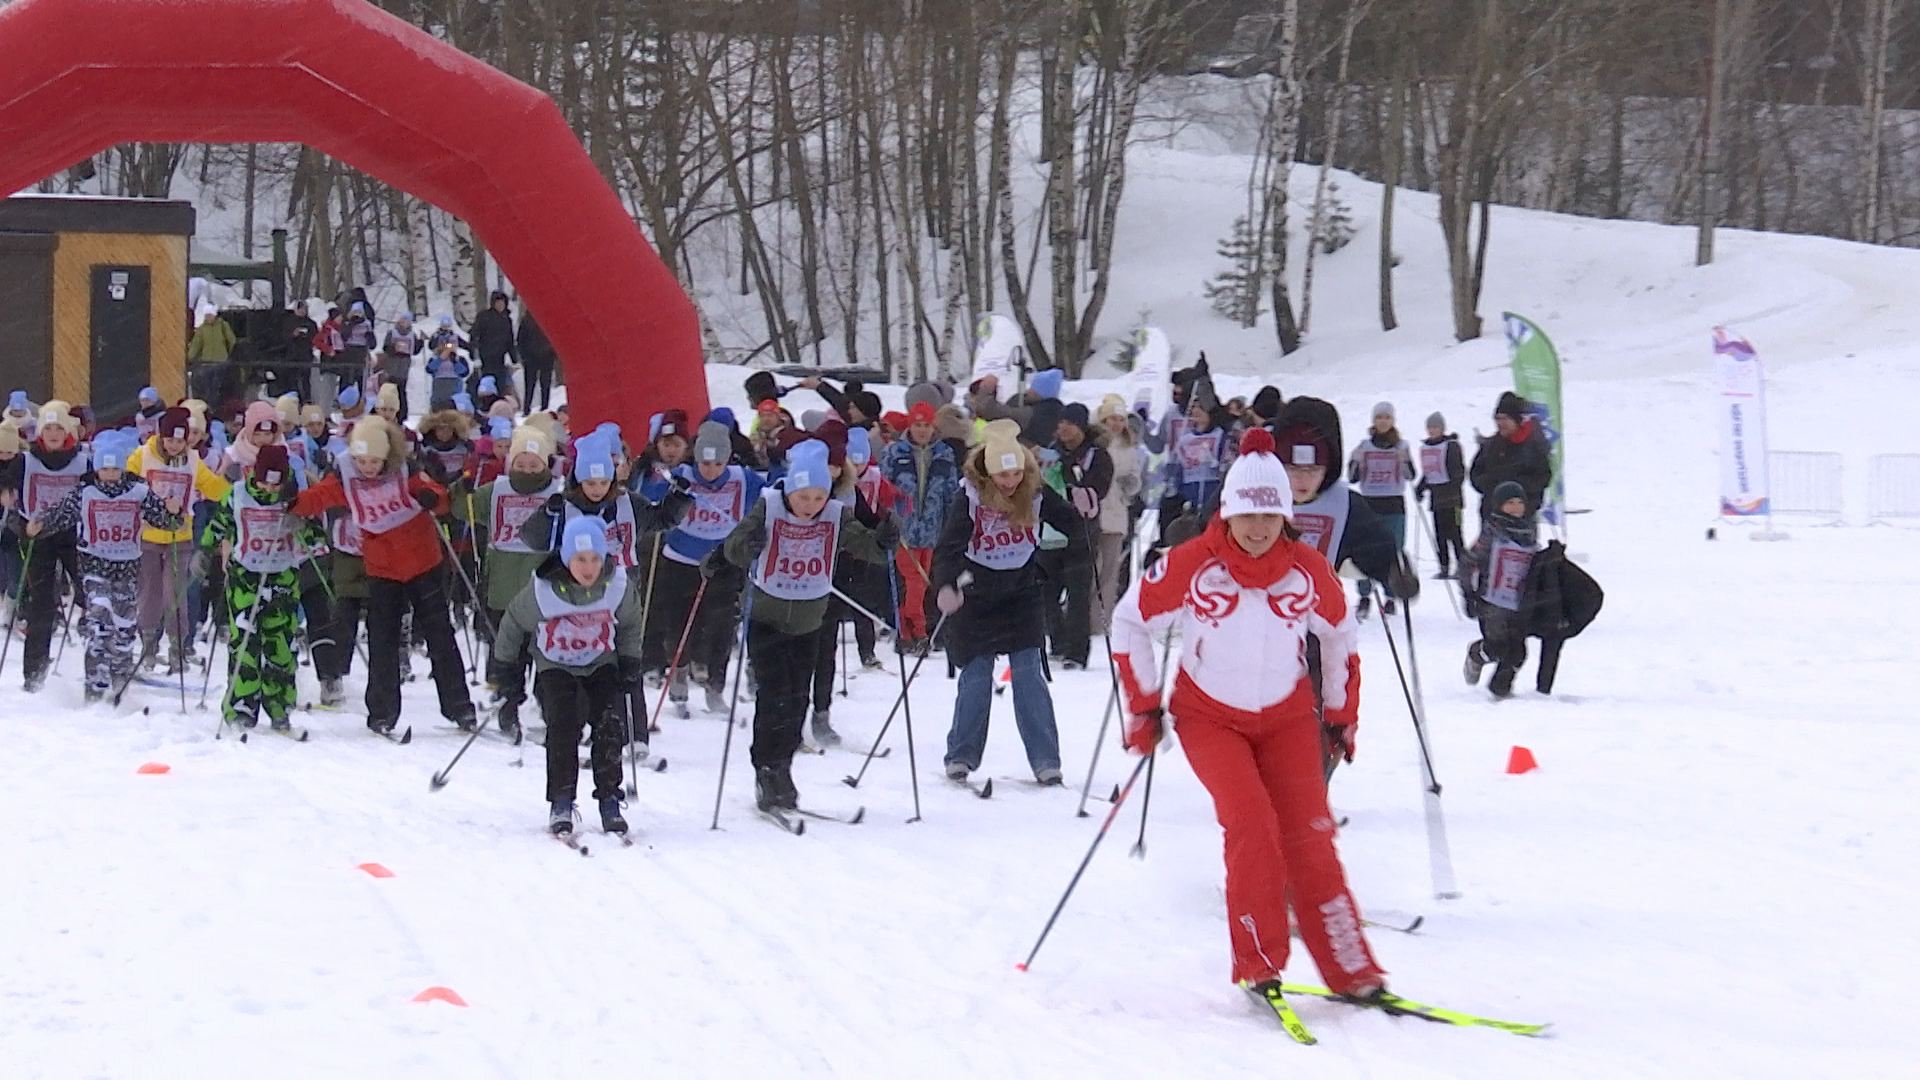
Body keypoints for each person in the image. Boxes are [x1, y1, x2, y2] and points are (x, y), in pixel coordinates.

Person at [1111, 427, 1387, 1007]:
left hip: (1287, 715)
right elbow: (1129, 620)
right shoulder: (1194, 563)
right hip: (1210, 717)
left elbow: (1340, 634)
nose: (1258, 529)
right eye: (1246, 516)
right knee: (1253, 829)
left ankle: (1353, 969)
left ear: (1286, 517)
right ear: (1227, 513)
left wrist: (1340, 712)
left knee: (1312, 837)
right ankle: (1259, 964)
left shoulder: (1308, 569)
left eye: (1270, 517)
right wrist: (1142, 703)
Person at [714, 438, 894, 812]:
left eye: (817, 498)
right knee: (774, 695)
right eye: (803, 497)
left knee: (798, 699)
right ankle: (765, 769)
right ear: (791, 490)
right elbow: (733, 548)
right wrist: (751, 542)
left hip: (810, 620)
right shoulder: (769, 506)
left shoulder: (834, 514)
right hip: (767, 617)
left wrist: (885, 538)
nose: (810, 506)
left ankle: (783, 768)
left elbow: (867, 548)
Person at [291, 415, 477, 735]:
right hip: (382, 570)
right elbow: (318, 497)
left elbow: (436, 493)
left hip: (423, 564)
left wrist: (433, 498)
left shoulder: (405, 469)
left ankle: (459, 707)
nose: (368, 468)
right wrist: (291, 500)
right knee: (382, 641)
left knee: (439, 636)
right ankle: (381, 712)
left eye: (374, 461)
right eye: (362, 461)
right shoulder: (346, 474)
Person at [932, 419, 1078, 785]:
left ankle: (1046, 760)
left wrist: (1083, 514)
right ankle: (961, 755)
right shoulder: (969, 496)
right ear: (987, 472)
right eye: (1002, 475)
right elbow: (948, 548)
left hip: (1021, 594)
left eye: (1015, 473)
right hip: (976, 597)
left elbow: (1071, 525)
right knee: (977, 675)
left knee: (1029, 674)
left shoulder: (1036, 490)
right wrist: (945, 586)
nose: (1010, 482)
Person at [490, 515, 648, 838]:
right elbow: (512, 624)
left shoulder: (616, 585)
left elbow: (631, 623)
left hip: (601, 660)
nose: (588, 568)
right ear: (565, 559)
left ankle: (609, 800)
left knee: (609, 724)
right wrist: (506, 669)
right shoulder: (543, 590)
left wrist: (631, 661)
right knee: (562, 725)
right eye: (579, 560)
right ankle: (561, 800)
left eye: (594, 559)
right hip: (555, 664)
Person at [34, 430, 182, 703]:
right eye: (105, 469)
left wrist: (174, 511)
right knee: (99, 620)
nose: (110, 475)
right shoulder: (85, 490)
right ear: (97, 468)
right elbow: (63, 514)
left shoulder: (138, 491)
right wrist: (41, 525)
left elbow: (165, 522)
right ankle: (94, 684)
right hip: (94, 565)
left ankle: (119, 677)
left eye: (115, 469)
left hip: (126, 567)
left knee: (124, 626)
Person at [197, 444, 319, 729]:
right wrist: (204, 551)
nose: (271, 487)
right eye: (266, 480)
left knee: (280, 644)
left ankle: (278, 704)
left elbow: (315, 537)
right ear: (255, 473)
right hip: (245, 576)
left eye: (277, 482)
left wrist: (301, 525)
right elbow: (219, 525)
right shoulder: (238, 494)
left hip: (282, 577)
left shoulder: (293, 499)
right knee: (244, 643)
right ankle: (241, 707)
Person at [646, 421, 762, 720]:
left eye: (717, 464)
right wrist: (664, 486)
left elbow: (773, 492)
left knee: (722, 626)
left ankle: (715, 687)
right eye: (704, 463)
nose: (710, 471)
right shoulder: (682, 476)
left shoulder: (742, 478)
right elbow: (650, 495)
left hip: (725, 561)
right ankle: (679, 673)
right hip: (681, 560)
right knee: (680, 624)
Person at [456, 423, 561, 739]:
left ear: (546, 464)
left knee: (547, 655)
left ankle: (552, 708)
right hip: (504, 586)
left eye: (534, 464)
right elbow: (466, 509)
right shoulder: (498, 490)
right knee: (509, 653)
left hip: (545, 589)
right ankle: (508, 706)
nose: (527, 470)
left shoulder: (557, 492)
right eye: (520, 464)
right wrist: (458, 491)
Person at [127, 406, 231, 674]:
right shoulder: (142, 456)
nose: (175, 446)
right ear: (161, 437)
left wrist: (238, 494)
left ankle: (179, 648)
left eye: (180, 440)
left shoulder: (193, 460)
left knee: (176, 594)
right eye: (170, 440)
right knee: (149, 593)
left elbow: (215, 488)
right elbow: (127, 485)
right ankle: (149, 647)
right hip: (148, 536)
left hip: (179, 537)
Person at [9, 401, 91, 691]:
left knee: (90, 598)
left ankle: (98, 670)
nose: (54, 433)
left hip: (74, 536)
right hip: (38, 535)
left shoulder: (83, 460)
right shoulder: (26, 460)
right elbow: (9, 493)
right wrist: (21, 526)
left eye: (59, 428)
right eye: (48, 428)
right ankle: (34, 674)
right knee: (41, 603)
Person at [880, 400, 958, 654]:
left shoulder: (944, 453)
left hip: (933, 529)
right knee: (913, 581)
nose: (922, 430)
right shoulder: (895, 453)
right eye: (917, 425)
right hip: (904, 529)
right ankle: (918, 631)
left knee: (921, 583)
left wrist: (952, 525)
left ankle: (906, 631)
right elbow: (883, 488)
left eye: (926, 425)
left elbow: (951, 491)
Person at [1042, 402, 1110, 668]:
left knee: (1078, 594)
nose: (1063, 428)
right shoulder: (1051, 451)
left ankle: (1076, 651)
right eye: (1061, 423)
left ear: (1081, 426)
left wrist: (1069, 476)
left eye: (1069, 423)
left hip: (1081, 534)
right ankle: (1057, 642)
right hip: (1049, 533)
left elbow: (1097, 490)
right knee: (1047, 592)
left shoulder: (1097, 455)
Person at [1463, 481, 1539, 699]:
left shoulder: (1529, 530)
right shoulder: (1492, 532)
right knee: (1497, 647)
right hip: (1492, 600)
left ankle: (1501, 688)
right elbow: (1468, 563)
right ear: (1499, 506)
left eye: (1519, 503)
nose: (1516, 508)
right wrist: (1469, 594)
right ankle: (1477, 654)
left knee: (1518, 650)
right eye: (1509, 503)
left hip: (1519, 601)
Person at [1347, 402, 1415, 621]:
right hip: (1369, 504)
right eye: (1379, 417)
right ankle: (1365, 596)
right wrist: (1355, 461)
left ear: (1392, 421)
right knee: (1364, 550)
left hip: (1394, 505)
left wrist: (1404, 460)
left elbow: (1411, 475)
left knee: (1393, 551)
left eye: (1387, 417)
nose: (1383, 421)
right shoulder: (1365, 446)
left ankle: (1391, 595)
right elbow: (1353, 477)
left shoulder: (1401, 446)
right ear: (1374, 421)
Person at [1093, 394, 1146, 633]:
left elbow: (1136, 477)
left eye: (1120, 419)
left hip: (1116, 515)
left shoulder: (1128, 447)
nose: (1116, 424)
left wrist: (1132, 484)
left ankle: (1102, 622)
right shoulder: (1094, 444)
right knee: (1092, 570)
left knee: (1110, 573)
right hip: (1092, 514)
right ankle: (1086, 619)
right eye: (1111, 418)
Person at [1469, 391, 1553, 520]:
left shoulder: (1533, 446)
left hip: (1522, 520)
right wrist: (1493, 485)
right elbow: (1475, 474)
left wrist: (1515, 488)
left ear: (1517, 420)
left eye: (1505, 419)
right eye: (1497, 418)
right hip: (1491, 517)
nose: (1500, 423)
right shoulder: (1490, 445)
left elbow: (1543, 477)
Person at [1415, 411, 1469, 580]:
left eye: (1436, 427)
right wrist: (1421, 488)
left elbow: (1459, 471)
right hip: (1437, 500)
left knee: (1456, 534)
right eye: (1430, 428)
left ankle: (1463, 566)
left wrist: (1453, 487)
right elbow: (1429, 472)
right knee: (1440, 535)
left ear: (1442, 428)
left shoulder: (1451, 446)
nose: (1432, 431)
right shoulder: (1427, 448)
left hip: (1453, 500)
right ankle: (1444, 566)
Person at [468, 291, 517, 399]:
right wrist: (474, 353)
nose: (500, 305)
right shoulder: (484, 317)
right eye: (498, 303)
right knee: (487, 383)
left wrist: (514, 359)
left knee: (500, 383)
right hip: (486, 356)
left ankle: (499, 403)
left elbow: (509, 340)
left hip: (500, 358)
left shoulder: (506, 319)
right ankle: (486, 404)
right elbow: (474, 335)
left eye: (502, 303)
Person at [380, 313, 423, 419]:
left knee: (401, 391)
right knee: (389, 390)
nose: (403, 321)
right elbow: (385, 348)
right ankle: (386, 412)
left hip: (404, 367)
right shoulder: (392, 333)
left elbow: (415, 350)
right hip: (392, 365)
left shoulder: (412, 334)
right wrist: (394, 348)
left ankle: (402, 415)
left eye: (406, 320)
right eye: (402, 319)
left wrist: (421, 341)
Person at [516, 309, 558, 415]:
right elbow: (520, 340)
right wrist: (524, 355)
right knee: (530, 384)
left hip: (546, 356)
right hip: (531, 357)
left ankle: (545, 407)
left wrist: (552, 352)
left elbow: (555, 337)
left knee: (545, 384)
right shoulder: (526, 321)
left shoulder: (549, 319)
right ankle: (527, 408)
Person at [424, 338, 470, 413]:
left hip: (454, 391)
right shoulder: (434, 358)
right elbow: (429, 369)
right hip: (439, 392)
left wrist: (454, 361)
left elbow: (463, 372)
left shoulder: (460, 359)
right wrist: (440, 359)